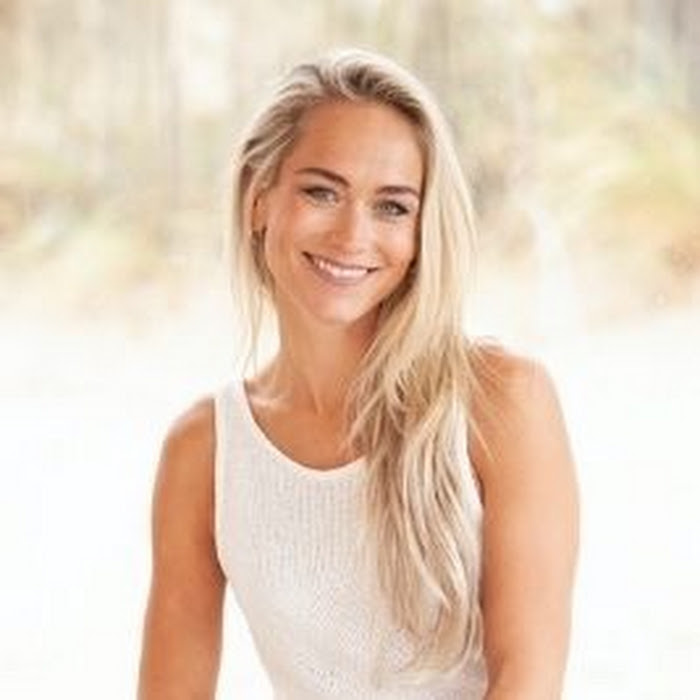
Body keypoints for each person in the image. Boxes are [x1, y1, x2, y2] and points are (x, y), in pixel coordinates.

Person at [137, 48, 579, 699]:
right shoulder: (204, 452)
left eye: (392, 207)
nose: (352, 235)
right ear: (260, 200)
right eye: (322, 192)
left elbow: (528, 679)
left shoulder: (501, 402)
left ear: (423, 231)